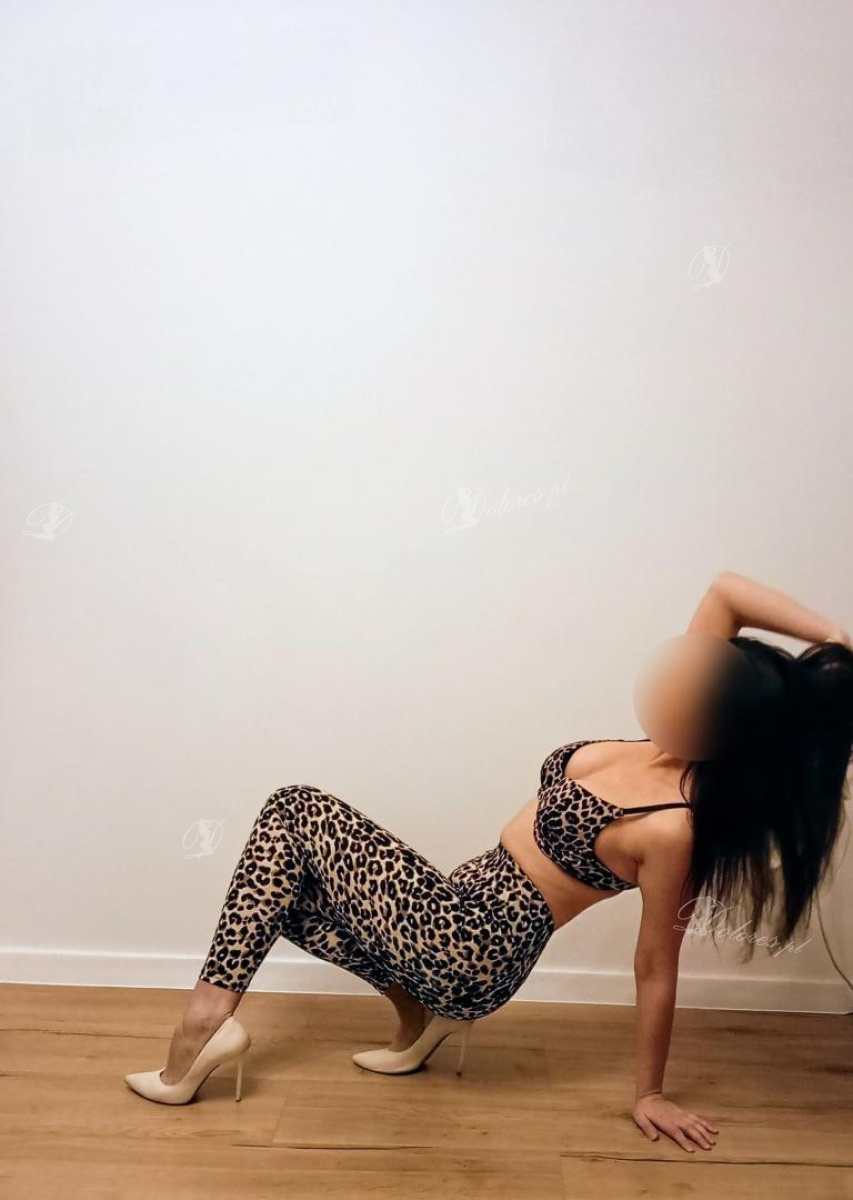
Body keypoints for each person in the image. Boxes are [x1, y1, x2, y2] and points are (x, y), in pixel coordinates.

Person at [124, 570, 853, 1154]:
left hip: (475, 949)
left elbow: (655, 965)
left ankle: (205, 1022)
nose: (673, 676)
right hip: (453, 902)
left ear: (720, 726)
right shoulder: (668, 733)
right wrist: (836, 644)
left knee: (293, 810)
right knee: (284, 889)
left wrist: (649, 1094)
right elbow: (726, 590)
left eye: (693, 683)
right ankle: (416, 1012)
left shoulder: (673, 828)